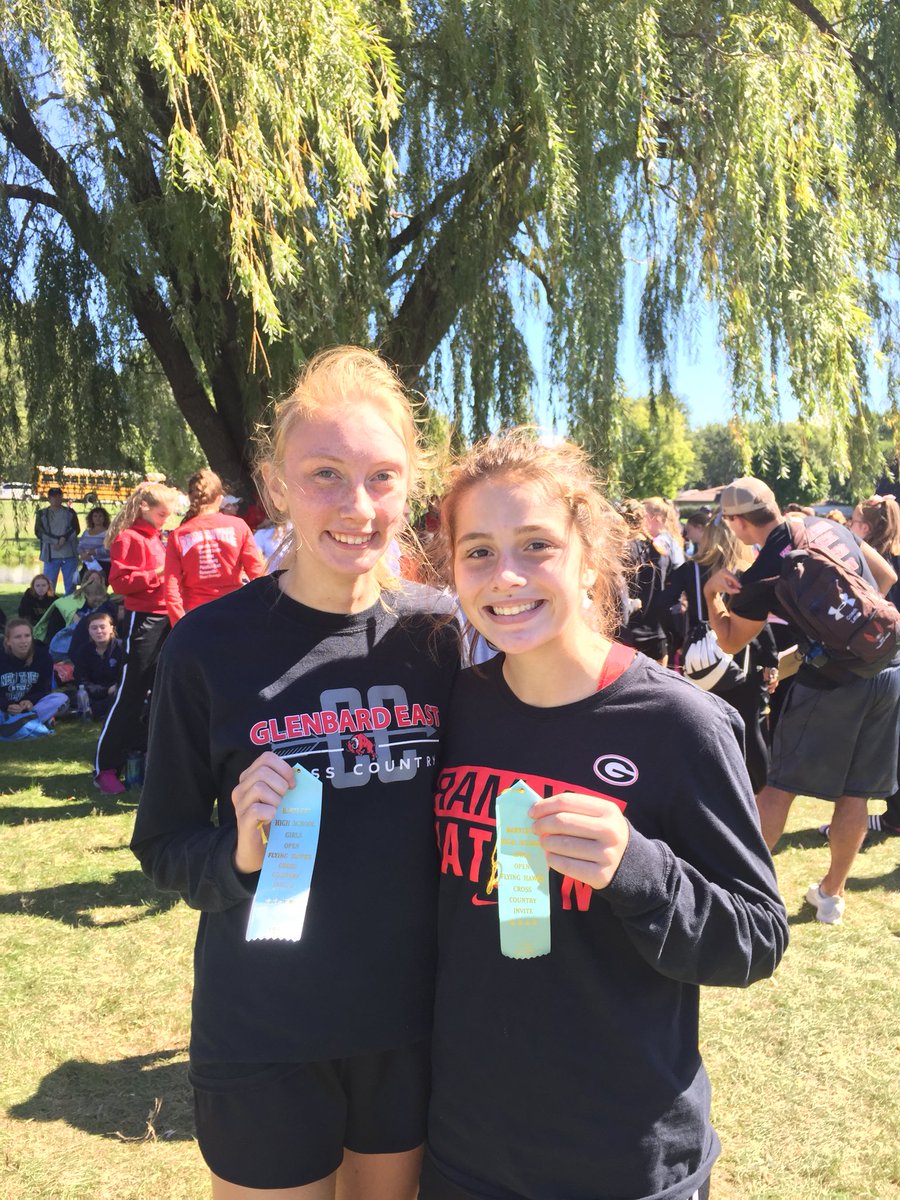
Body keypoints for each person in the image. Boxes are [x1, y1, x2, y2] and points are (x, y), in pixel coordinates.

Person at [130, 346, 459, 1200]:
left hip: (409, 1028)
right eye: (324, 475)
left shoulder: (442, 639)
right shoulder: (207, 646)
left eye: (382, 477)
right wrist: (238, 851)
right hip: (263, 1030)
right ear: (275, 487)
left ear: (410, 488)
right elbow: (163, 844)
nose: (358, 506)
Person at [423, 432, 787, 1200]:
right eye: (478, 551)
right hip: (465, 1148)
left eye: (537, 545)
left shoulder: (678, 725)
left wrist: (639, 868)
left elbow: (756, 938)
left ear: (589, 558)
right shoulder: (455, 709)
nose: (506, 575)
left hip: (621, 1156)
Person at [703, 477, 900, 924]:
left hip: (831, 682)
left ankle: (739, 888)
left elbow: (731, 641)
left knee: (779, 787)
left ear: (736, 522)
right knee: (856, 792)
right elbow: (886, 577)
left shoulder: (762, 573)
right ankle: (831, 896)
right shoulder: (827, 525)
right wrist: (854, 633)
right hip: (887, 665)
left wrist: (711, 592)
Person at [664, 515, 778, 793]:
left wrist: (680, 637)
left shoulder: (689, 569)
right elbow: (761, 623)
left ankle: (709, 789)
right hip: (742, 656)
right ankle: (759, 792)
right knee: (750, 727)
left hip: (702, 659)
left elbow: (664, 605)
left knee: (703, 726)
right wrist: (770, 660)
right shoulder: (747, 572)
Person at [94, 482, 178, 795]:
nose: (165, 521)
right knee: (131, 693)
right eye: (161, 514)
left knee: (162, 694)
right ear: (144, 508)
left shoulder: (159, 537)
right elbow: (118, 583)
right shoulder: (128, 538)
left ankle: (148, 759)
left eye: (168, 515)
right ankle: (105, 767)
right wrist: (156, 573)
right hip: (143, 620)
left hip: (169, 617)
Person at [164, 469, 265, 624]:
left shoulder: (179, 535)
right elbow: (257, 575)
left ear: (191, 498)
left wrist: (179, 624)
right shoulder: (239, 526)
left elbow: (171, 589)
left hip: (195, 616)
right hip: (234, 611)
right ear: (220, 498)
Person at [0, 618, 69, 727]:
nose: (23, 641)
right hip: (4, 707)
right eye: (18, 637)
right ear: (8, 641)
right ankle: (31, 722)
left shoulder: (43, 657)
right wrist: (6, 705)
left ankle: (23, 721)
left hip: (31, 707)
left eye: (27, 636)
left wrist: (30, 701)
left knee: (61, 699)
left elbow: (44, 689)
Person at [72, 611, 124, 721]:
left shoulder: (122, 648)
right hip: (94, 693)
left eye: (102, 627)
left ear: (111, 628)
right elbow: (81, 680)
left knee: (120, 697)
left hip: (117, 691)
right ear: (89, 631)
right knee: (70, 697)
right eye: (94, 628)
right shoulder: (83, 651)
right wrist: (105, 690)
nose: (99, 631)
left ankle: (94, 711)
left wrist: (113, 689)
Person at [34, 486, 80, 594]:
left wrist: (64, 539)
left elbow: (76, 529)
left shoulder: (70, 512)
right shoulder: (42, 514)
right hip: (51, 556)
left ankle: (69, 604)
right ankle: (49, 603)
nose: (56, 499)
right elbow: (39, 532)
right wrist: (55, 541)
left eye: (59, 496)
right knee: (48, 586)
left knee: (71, 586)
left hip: (69, 555)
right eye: (53, 497)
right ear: (49, 498)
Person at [77, 506, 112, 579]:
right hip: (88, 563)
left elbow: (110, 549)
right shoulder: (86, 532)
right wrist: (82, 554)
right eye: (95, 516)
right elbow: (79, 546)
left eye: (100, 516)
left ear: (104, 518)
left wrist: (95, 551)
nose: (97, 518)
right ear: (91, 518)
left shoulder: (108, 533)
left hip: (103, 564)